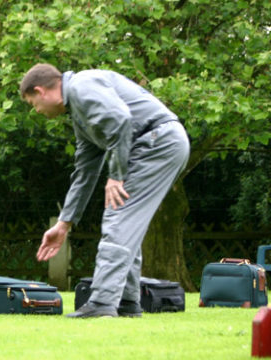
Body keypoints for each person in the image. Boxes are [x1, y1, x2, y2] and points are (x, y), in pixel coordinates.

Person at [20, 63, 190, 318]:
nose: (37, 110)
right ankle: (126, 302)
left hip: (157, 142)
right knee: (126, 223)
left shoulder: (82, 86)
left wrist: (116, 176)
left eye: (33, 103)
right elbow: (84, 172)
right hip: (160, 142)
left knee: (118, 215)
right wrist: (64, 224)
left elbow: (121, 120)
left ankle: (102, 304)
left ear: (40, 91)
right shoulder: (80, 112)